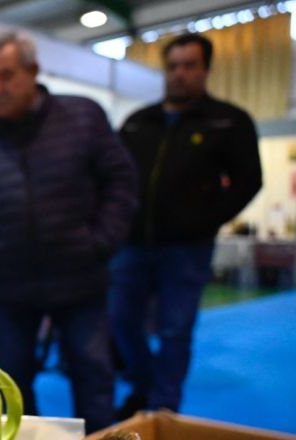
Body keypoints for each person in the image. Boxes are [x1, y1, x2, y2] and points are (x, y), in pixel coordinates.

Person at [0, 32, 137, 433]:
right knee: (12, 385)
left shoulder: (83, 117)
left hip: (80, 280)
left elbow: (121, 182)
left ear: (33, 72)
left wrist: (101, 241)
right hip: (9, 288)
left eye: (7, 76)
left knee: (92, 377)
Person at [112, 33, 262, 417]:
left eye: (189, 65)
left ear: (205, 69)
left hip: (187, 249)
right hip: (132, 245)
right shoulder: (138, 123)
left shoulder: (228, 121)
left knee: (175, 331)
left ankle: (164, 407)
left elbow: (249, 181)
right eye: (173, 66)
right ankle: (144, 387)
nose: (180, 74)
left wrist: (203, 221)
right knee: (120, 321)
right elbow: (114, 177)